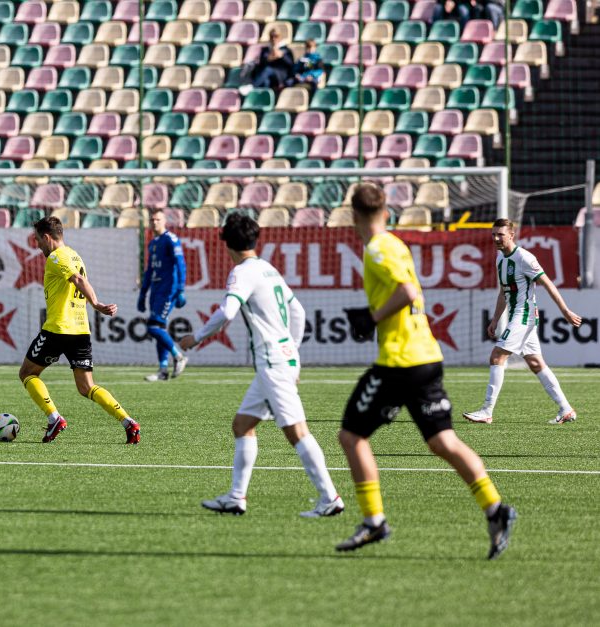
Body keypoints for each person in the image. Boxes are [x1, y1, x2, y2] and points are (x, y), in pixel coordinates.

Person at [337, 185, 516, 559]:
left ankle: (373, 521)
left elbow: (405, 291)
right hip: (427, 355)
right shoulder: (397, 243)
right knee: (442, 442)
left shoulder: (376, 248)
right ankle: (495, 509)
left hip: (398, 361)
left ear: (353, 216)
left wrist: (372, 318)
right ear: (386, 212)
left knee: (352, 436)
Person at [179, 214, 344, 518]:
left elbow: (228, 311)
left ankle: (330, 497)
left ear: (226, 242)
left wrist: (198, 336)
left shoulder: (242, 272)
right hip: (281, 359)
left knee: (296, 431)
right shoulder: (268, 269)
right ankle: (236, 497)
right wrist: (291, 350)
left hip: (272, 362)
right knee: (242, 425)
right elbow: (299, 312)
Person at [19, 217, 141, 444]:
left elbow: (77, 280)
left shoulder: (57, 257)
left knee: (27, 373)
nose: (37, 245)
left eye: (38, 240)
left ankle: (54, 417)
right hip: (80, 330)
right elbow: (79, 278)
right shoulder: (75, 255)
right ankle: (128, 422)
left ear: (47, 237)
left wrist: (95, 303)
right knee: (87, 387)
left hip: (58, 329)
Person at [463, 218, 581, 425]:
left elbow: (547, 283)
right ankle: (566, 409)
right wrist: (495, 319)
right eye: (494, 235)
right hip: (519, 315)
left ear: (511, 235)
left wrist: (565, 310)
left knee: (497, 356)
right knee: (536, 363)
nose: (496, 238)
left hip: (524, 315)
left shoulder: (525, 258)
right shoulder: (500, 258)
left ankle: (487, 411)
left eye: (500, 234)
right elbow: (503, 292)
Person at [138, 209, 188, 382]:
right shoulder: (152, 243)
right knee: (159, 329)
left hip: (168, 290)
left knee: (153, 327)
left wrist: (181, 288)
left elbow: (180, 264)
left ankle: (179, 356)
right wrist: (143, 294)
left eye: (157, 219)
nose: (154, 223)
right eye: (151, 220)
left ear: (165, 221)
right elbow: (149, 270)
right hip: (156, 290)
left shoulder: (171, 239)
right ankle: (163, 370)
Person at [238, 28, 294, 95]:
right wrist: (268, 59)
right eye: (272, 37)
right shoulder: (265, 50)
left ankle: (252, 86)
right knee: (265, 82)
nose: (274, 39)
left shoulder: (286, 50)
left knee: (268, 70)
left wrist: (282, 56)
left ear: (280, 37)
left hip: (281, 75)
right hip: (268, 76)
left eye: (276, 36)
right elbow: (261, 64)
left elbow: (291, 65)